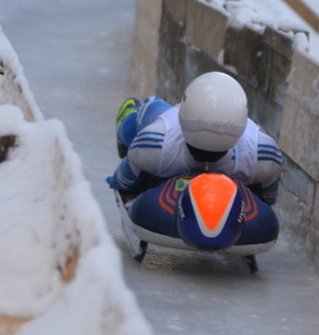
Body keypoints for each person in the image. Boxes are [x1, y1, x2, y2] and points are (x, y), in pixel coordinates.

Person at [109, 72, 281, 247]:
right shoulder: (264, 155)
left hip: (164, 138)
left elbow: (125, 182)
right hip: (167, 122)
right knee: (140, 117)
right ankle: (130, 114)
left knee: (150, 114)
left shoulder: (153, 146)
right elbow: (268, 198)